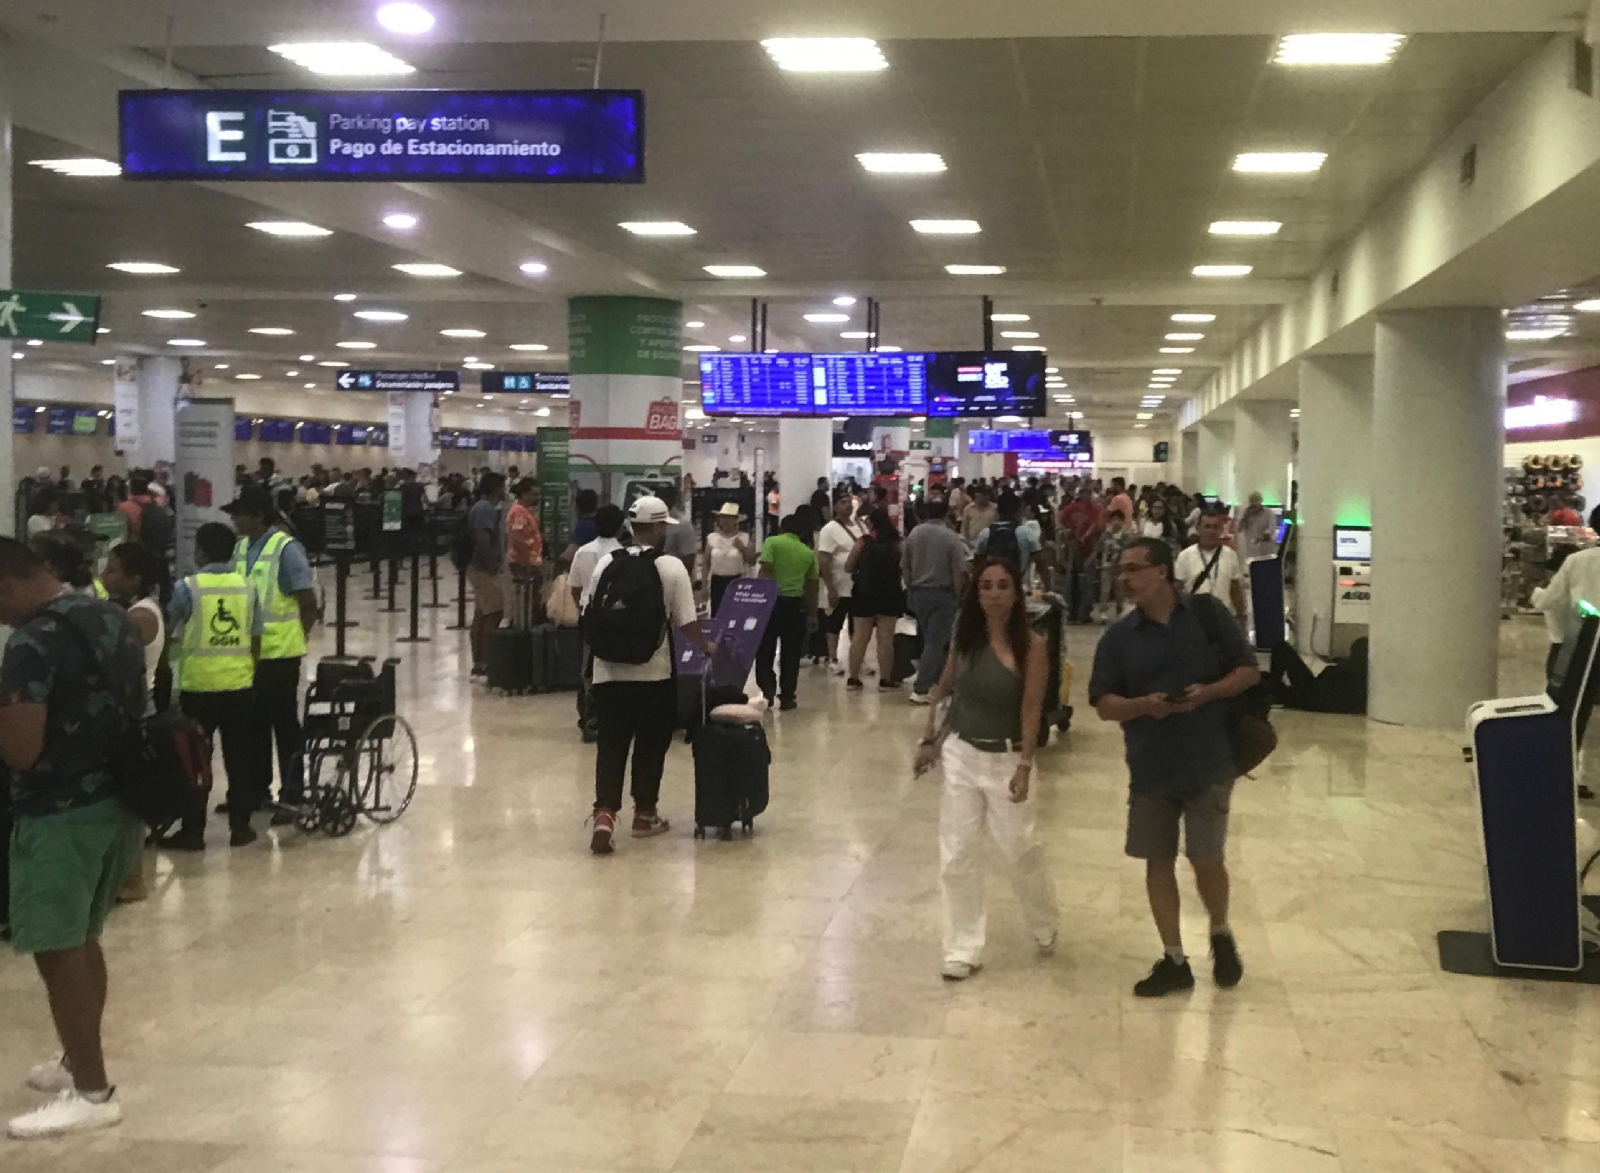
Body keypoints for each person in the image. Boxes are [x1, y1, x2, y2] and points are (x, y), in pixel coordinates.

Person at [0, 537, 147, 1139]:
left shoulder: (32, 641)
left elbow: (21, 748)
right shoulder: (108, 615)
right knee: (84, 940)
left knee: (58, 950)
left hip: (59, 812)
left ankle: (92, 1090)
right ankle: (74, 1061)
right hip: (119, 804)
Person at [1090, 537, 1260, 998]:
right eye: (1120, 569)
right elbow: (1104, 704)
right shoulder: (1119, 639)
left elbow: (1248, 671)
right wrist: (1144, 705)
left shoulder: (1207, 615)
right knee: (1157, 860)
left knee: (1207, 857)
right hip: (1151, 766)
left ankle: (1220, 932)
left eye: (1133, 568)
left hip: (1209, 758)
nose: (1124, 577)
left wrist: (1205, 693)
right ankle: (1174, 957)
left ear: (1162, 571)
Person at [914, 556, 1059, 981]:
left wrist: (1026, 765)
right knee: (957, 852)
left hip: (1007, 757)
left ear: (1016, 593)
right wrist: (931, 741)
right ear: (976, 594)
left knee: (1019, 849)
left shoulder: (1033, 646)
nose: (994, 594)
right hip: (962, 753)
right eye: (986, 586)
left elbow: (1031, 709)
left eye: (1002, 586)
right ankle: (962, 944)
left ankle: (1044, 920)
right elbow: (945, 690)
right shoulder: (966, 637)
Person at [580, 497, 715, 855]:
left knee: (611, 745)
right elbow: (687, 622)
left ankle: (604, 816)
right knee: (651, 745)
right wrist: (707, 647)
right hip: (654, 676)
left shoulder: (607, 562)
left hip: (608, 673)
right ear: (657, 528)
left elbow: (588, 614)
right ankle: (645, 814)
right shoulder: (671, 567)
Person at [158, 523, 266, 851]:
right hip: (239, 686)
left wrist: (164, 670)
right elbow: (256, 637)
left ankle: (193, 832)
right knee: (240, 760)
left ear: (201, 552)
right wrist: (248, 669)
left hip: (198, 689)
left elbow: (167, 629)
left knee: (196, 762)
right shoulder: (247, 587)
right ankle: (241, 827)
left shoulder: (187, 587)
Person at [224, 485, 318, 819]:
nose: (234, 519)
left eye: (239, 514)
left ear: (258, 516)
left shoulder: (286, 549)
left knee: (284, 726)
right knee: (252, 726)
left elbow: (308, 602)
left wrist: (298, 639)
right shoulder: (239, 548)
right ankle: (256, 791)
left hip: (280, 655)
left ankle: (293, 792)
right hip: (247, 656)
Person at [98, 541, 167, 904]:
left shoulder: (139, 616)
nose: (105, 576)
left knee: (130, 799)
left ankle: (134, 880)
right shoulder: (130, 610)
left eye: (113, 571)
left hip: (138, 710)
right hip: (131, 708)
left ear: (134, 578)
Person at [902, 499, 968, 705]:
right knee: (935, 642)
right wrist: (957, 595)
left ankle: (941, 682)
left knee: (932, 640)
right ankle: (921, 688)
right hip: (943, 594)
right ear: (946, 514)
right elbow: (959, 570)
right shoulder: (951, 537)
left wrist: (910, 590)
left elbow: (905, 566)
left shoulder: (914, 534)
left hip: (919, 593)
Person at [570, 504, 626, 743]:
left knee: (587, 666)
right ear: (620, 526)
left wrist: (582, 608)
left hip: (588, 615)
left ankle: (588, 716)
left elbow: (574, 588)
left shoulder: (582, 551)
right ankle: (611, 717)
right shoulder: (624, 554)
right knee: (612, 665)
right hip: (615, 618)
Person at [756, 512, 820, 711]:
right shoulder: (807, 553)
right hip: (796, 605)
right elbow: (811, 587)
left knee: (765, 648)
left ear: (781, 528)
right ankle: (787, 696)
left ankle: (767, 689)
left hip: (772, 602)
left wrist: (759, 600)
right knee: (791, 653)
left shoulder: (772, 543)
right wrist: (812, 614)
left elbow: (765, 570)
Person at [845, 508, 906, 691]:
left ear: (871, 524)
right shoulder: (897, 544)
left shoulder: (863, 542)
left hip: (864, 594)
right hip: (889, 594)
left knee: (859, 638)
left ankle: (853, 679)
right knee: (885, 639)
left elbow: (848, 567)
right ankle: (885, 680)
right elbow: (903, 567)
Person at [815, 497, 865, 675]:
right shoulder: (829, 530)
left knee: (858, 623)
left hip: (859, 585)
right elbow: (824, 559)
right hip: (839, 583)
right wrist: (831, 587)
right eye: (843, 502)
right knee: (834, 622)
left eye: (849, 502)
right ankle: (832, 657)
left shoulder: (861, 526)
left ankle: (858, 659)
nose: (848, 505)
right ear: (835, 507)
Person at [466, 473, 508, 677]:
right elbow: (483, 539)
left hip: (480, 567)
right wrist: (492, 566)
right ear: (495, 488)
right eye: (503, 486)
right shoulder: (485, 509)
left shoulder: (484, 508)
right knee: (493, 612)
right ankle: (484, 659)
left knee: (482, 613)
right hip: (483, 569)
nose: (505, 490)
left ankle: (479, 661)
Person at [1174, 511, 1247, 620]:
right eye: (1207, 527)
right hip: (1195, 616)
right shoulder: (1185, 555)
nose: (1211, 531)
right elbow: (1177, 590)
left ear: (1221, 530)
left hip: (1223, 616)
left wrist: (1241, 617)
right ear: (1198, 529)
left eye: (1215, 527)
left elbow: (1235, 589)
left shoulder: (1230, 554)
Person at [975, 491, 1051, 590]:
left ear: (997, 510)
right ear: (1018, 510)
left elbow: (977, 565)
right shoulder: (1026, 533)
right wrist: (1049, 589)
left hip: (992, 588)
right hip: (1019, 587)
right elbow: (1041, 565)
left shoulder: (985, 533)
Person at [1268, 638, 1368, 714]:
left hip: (1312, 694)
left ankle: (1272, 688)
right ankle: (1275, 692)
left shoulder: (1349, 668)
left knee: (1281, 647)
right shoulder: (1368, 675)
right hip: (1312, 702)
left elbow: (1325, 674)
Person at [704, 502, 755, 616]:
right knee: (717, 612)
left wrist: (742, 548)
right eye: (723, 517)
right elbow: (706, 563)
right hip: (717, 580)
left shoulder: (744, 538)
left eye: (729, 518)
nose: (726, 520)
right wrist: (704, 585)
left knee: (736, 613)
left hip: (736, 580)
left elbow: (752, 561)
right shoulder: (712, 538)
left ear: (736, 520)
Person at [506, 477, 545, 582]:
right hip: (524, 564)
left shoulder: (526, 512)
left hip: (529, 563)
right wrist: (528, 564)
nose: (538, 498)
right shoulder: (519, 513)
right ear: (524, 494)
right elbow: (519, 540)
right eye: (534, 494)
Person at [1095, 509, 1131, 623]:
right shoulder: (1105, 535)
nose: (1116, 522)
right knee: (1105, 590)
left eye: (1119, 520)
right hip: (1106, 566)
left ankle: (1120, 610)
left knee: (1119, 590)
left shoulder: (1125, 536)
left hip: (1120, 567)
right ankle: (1103, 611)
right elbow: (1099, 548)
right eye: (1114, 519)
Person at [659, 484, 698, 583]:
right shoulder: (650, 522)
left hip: (673, 580)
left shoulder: (682, 525)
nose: (660, 499)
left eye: (664, 496)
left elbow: (689, 559)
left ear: (673, 499)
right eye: (658, 496)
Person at [1237, 492, 1277, 561]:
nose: (1254, 507)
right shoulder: (1247, 513)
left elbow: (1271, 527)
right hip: (1251, 551)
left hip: (1266, 550)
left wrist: (1262, 537)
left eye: (1256, 505)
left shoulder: (1268, 512)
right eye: (1252, 505)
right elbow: (1240, 529)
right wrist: (1245, 518)